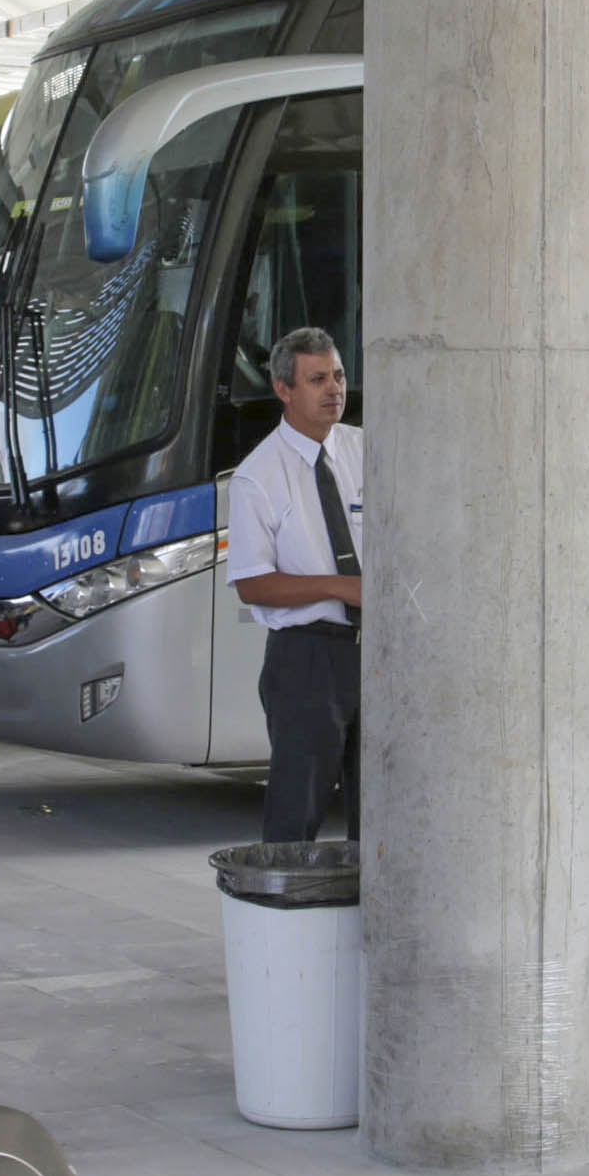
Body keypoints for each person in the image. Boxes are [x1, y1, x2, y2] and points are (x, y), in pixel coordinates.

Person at [222, 327, 361, 844]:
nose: (334, 390)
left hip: (376, 655)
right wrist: (343, 589)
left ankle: (370, 922)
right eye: (318, 379)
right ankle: (282, 918)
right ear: (284, 389)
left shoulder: (364, 450)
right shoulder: (258, 476)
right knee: (296, 811)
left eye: (339, 376)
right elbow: (253, 585)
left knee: (384, 808)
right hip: (307, 659)